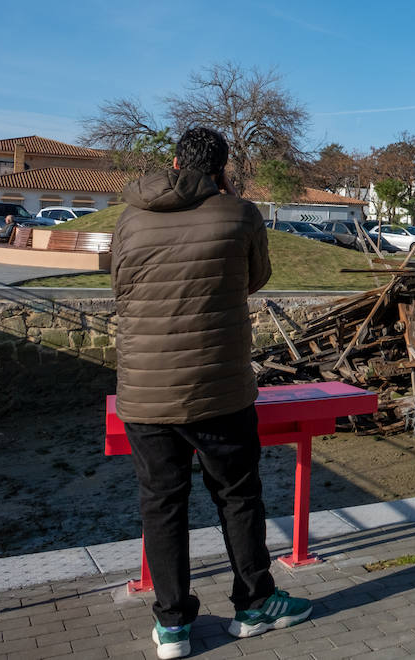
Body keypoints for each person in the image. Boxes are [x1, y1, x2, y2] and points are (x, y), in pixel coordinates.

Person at [111, 127, 310, 659]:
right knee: (238, 496)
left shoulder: (130, 216)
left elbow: (119, 284)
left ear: (174, 161)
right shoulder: (240, 215)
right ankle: (254, 604)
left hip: (145, 391)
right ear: (223, 167)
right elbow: (255, 278)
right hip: (219, 388)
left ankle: (172, 625)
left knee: (162, 504)